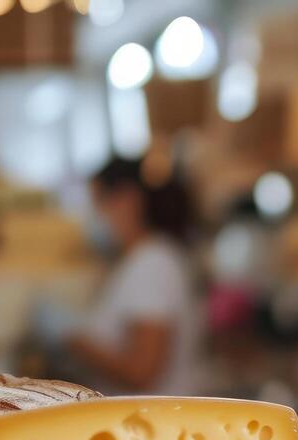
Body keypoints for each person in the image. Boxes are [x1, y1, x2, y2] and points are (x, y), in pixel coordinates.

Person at [60, 156, 202, 394]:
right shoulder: (135, 260)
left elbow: (142, 371)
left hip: (156, 422)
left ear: (128, 200)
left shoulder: (153, 264)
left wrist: (72, 338)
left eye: (97, 203)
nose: (93, 215)